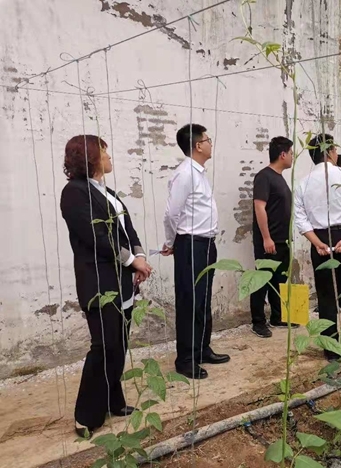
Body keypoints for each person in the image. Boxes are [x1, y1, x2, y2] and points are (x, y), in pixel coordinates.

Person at [60, 135, 153, 439]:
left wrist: (139, 256)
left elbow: (127, 229)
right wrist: (133, 262)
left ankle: (114, 400)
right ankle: (86, 416)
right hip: (99, 282)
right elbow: (96, 237)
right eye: (104, 151)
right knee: (103, 346)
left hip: (121, 280)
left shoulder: (107, 192)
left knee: (119, 344)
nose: (109, 156)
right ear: (90, 157)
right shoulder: (74, 193)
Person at [161, 124, 230, 380]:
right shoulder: (185, 174)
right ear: (198, 145)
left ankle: (202, 348)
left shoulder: (199, 173)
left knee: (203, 298)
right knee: (190, 301)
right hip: (190, 244)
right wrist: (171, 242)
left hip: (205, 244)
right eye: (208, 140)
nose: (211, 144)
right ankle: (186, 359)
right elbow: (171, 213)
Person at [294, 133, 341, 361]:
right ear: (331, 152)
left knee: (326, 294)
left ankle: (331, 346)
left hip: (320, 239)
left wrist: (317, 243)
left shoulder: (303, 183)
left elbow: (301, 219)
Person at [250, 136, 297, 338]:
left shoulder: (279, 178)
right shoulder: (264, 177)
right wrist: (266, 238)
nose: (293, 157)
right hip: (269, 240)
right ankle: (258, 322)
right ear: (282, 154)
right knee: (261, 281)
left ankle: (278, 316)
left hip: (282, 240)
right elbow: (259, 207)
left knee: (279, 280)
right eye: (291, 153)